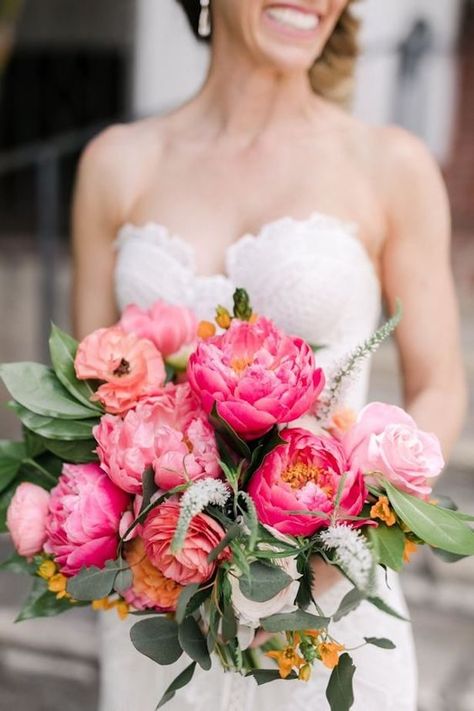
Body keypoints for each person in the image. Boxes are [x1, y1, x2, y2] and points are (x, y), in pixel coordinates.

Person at [72, 1, 466, 709]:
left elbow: (438, 385)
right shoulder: (115, 163)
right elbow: (87, 410)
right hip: (163, 623)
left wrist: (326, 554)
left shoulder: (390, 165)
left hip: (329, 620)